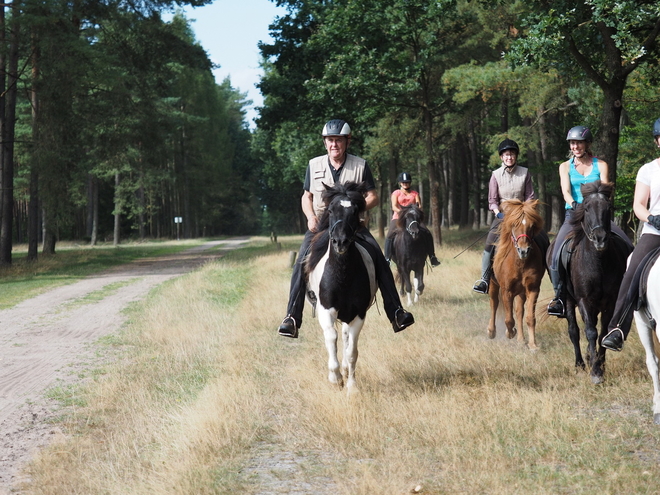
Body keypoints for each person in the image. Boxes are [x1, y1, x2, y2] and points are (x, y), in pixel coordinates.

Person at [278, 119, 415, 338]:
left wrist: (356, 206)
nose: (334, 145)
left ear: (347, 141)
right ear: (325, 143)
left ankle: (396, 312)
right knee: (301, 260)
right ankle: (292, 317)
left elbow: (373, 196)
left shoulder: (360, 165)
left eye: (338, 141)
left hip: (352, 225)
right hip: (322, 224)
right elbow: (307, 196)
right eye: (330, 140)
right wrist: (310, 216)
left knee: (378, 256)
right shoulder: (314, 165)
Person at [547, 125, 632, 317]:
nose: (575, 146)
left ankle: (629, 292)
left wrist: (598, 207)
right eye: (572, 143)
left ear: (587, 144)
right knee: (556, 253)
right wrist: (575, 205)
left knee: (627, 245)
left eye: (579, 142)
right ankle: (559, 297)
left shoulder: (600, 164)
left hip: (597, 216)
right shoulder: (565, 166)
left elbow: (605, 189)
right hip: (574, 215)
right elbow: (566, 191)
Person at [601, 118, 660, 351]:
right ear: (657, 141)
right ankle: (617, 329)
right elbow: (638, 205)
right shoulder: (647, 170)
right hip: (655, 231)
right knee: (632, 269)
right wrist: (651, 218)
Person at [472, 138, 535, 294]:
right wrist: (497, 213)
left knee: (541, 240)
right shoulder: (495, 175)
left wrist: (526, 210)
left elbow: (530, 196)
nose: (509, 157)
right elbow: (492, 200)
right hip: (503, 216)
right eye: (506, 155)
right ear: (501, 157)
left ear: (516, 156)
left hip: (522, 216)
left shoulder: (525, 173)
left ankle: (548, 274)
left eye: (512, 154)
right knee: (489, 244)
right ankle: (484, 280)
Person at [384, 172, 440, 267]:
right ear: (400, 183)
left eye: (407, 182)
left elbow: (419, 205)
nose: (405, 184)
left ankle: (432, 256)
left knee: (426, 232)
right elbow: (394, 206)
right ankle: (387, 259)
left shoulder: (415, 193)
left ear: (410, 183)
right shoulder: (396, 193)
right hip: (399, 217)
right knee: (389, 235)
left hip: (413, 218)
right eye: (404, 182)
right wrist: (403, 213)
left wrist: (415, 212)